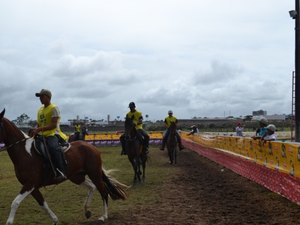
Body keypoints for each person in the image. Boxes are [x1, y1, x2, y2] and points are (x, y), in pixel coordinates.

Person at [30, 89, 68, 180]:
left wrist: (39, 129)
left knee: (52, 148)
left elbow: (53, 125)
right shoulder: (40, 110)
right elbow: (39, 124)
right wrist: (35, 131)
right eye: (39, 97)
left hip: (53, 134)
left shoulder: (54, 108)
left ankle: (61, 171)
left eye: (42, 97)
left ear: (48, 97)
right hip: (42, 135)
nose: (40, 99)